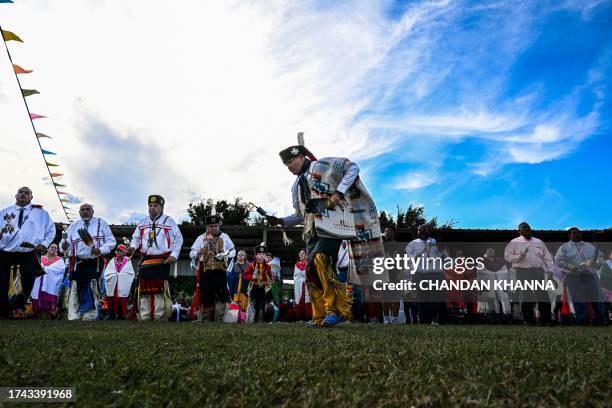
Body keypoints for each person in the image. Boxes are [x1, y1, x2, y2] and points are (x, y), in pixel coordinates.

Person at [266, 136, 384, 326]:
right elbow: (300, 215)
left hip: (332, 225)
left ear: (302, 156)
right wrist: (280, 220)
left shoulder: (320, 166)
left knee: (322, 260)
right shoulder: (295, 186)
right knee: (311, 270)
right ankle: (319, 315)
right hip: (311, 230)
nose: (289, 166)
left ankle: (333, 310)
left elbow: (352, 168)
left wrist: (338, 194)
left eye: (291, 161)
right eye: (286, 164)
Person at [0, 187, 55, 318]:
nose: (23, 194)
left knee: (27, 278)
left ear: (31, 197)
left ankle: (18, 308)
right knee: (2, 280)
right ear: (16, 195)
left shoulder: (41, 213)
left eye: (27, 193)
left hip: (29, 253)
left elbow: (51, 230)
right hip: (6, 252)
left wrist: (44, 244)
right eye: (21, 192)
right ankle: (3, 310)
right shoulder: (4, 212)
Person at [129, 194, 183, 321]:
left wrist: (173, 255)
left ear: (162, 207)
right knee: (144, 289)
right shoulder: (143, 222)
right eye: (150, 206)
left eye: (156, 206)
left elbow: (179, 239)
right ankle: (145, 315)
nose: (152, 208)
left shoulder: (169, 221)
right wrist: (132, 247)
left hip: (162, 260)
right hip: (146, 259)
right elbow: (136, 238)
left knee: (160, 290)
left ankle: (159, 316)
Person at [60, 203, 116, 321]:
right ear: (79, 212)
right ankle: (74, 314)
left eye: (88, 209)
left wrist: (100, 250)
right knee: (75, 285)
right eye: (83, 210)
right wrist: (64, 247)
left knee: (92, 285)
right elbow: (63, 247)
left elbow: (112, 242)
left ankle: (89, 314)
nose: (85, 211)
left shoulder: (101, 223)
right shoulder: (73, 226)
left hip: (94, 261)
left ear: (92, 212)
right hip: (77, 262)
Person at [504, 222, 555, 325]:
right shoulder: (514, 242)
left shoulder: (539, 242)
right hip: (522, 271)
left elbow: (548, 258)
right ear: (519, 231)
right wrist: (518, 257)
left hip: (538, 271)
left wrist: (550, 271)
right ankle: (530, 321)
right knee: (526, 295)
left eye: (528, 227)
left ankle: (545, 320)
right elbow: (507, 256)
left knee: (543, 295)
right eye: (524, 227)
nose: (527, 228)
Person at [554, 227, 606, 324]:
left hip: (591, 274)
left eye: (578, 233)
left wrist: (597, 265)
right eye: (574, 233)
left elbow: (600, 257)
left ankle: (600, 319)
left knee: (597, 297)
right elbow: (558, 260)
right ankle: (583, 320)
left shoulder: (589, 245)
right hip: (573, 276)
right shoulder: (564, 247)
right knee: (578, 299)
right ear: (569, 235)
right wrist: (570, 266)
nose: (576, 234)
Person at [189, 214, 235, 322]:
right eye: (211, 226)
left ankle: (219, 318)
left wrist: (225, 254)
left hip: (220, 270)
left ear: (218, 226)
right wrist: (198, 252)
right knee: (206, 293)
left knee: (221, 293)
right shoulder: (201, 238)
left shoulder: (225, 236)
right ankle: (205, 318)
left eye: (215, 226)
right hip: (206, 271)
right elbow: (191, 254)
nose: (213, 228)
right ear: (206, 227)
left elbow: (233, 251)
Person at [405, 225, 447, 325]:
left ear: (428, 231)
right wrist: (416, 256)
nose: (422, 231)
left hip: (436, 274)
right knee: (423, 298)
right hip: (420, 274)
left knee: (439, 297)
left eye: (424, 229)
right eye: (420, 230)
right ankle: (425, 320)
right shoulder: (412, 244)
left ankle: (440, 320)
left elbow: (444, 256)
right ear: (417, 232)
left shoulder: (435, 242)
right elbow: (408, 259)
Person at [30, 242, 65, 318]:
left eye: (56, 248)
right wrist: (44, 269)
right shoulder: (41, 258)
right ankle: (38, 316)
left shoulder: (60, 259)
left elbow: (60, 270)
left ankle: (49, 315)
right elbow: (35, 267)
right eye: (52, 247)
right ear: (48, 249)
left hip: (50, 285)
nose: (54, 249)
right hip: (39, 283)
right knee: (38, 299)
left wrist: (45, 269)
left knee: (48, 301)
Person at [103, 244, 135, 320]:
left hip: (123, 284)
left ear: (124, 252)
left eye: (121, 251)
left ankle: (122, 315)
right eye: (118, 251)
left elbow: (130, 272)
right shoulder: (112, 260)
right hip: (114, 285)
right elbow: (108, 272)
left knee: (122, 300)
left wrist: (121, 275)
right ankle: (112, 315)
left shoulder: (128, 260)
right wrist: (115, 275)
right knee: (112, 299)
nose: (119, 252)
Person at [244, 244, 272, 323]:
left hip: (263, 288)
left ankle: (262, 320)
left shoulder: (267, 266)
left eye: (263, 254)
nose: (262, 256)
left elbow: (270, 278)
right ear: (256, 255)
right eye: (259, 254)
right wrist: (252, 277)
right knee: (254, 303)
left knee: (262, 304)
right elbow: (245, 275)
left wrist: (268, 283)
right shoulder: (252, 265)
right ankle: (253, 320)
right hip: (254, 287)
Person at [293, 249, 312, 321]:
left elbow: (310, 275)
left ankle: (309, 317)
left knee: (308, 301)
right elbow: (296, 277)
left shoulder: (309, 264)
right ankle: (299, 318)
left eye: (302, 253)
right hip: (299, 286)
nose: (300, 255)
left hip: (307, 286)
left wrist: (304, 276)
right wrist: (304, 277)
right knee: (299, 300)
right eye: (300, 253)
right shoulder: (297, 265)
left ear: (306, 255)